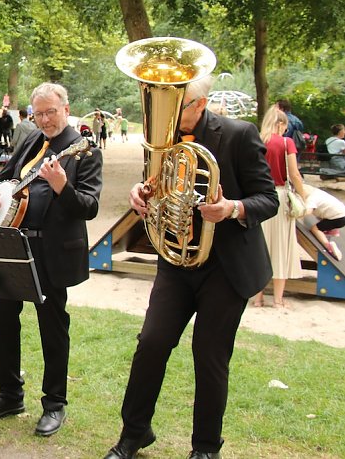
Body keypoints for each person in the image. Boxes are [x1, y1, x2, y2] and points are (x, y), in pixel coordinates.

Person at [103, 75, 278, 459]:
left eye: (176, 103)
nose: (163, 113)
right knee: (151, 343)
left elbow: (269, 199)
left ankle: (205, 448)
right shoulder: (162, 137)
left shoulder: (239, 134)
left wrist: (232, 208)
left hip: (225, 265)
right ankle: (134, 433)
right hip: (177, 261)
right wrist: (140, 193)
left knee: (209, 354)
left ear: (201, 104)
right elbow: (154, 185)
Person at [0, 82, 103, 437]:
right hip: (11, 245)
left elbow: (89, 207)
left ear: (66, 108)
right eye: (39, 113)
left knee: (52, 327)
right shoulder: (32, 140)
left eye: (50, 112)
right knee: (2, 316)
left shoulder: (83, 151)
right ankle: (11, 394)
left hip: (51, 253)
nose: (44, 119)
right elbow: (8, 176)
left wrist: (62, 186)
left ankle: (54, 403)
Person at [251, 106, 307, 309]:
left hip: (258, 197)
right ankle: (277, 299)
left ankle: (257, 298)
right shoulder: (286, 143)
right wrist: (304, 196)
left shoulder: (257, 141)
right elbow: (294, 174)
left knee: (260, 246)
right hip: (280, 196)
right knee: (281, 247)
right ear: (281, 124)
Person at [304, 184, 345, 261]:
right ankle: (332, 230)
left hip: (338, 218)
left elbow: (308, 211)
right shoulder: (317, 192)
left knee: (315, 229)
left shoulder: (310, 199)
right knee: (321, 213)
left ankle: (329, 246)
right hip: (341, 214)